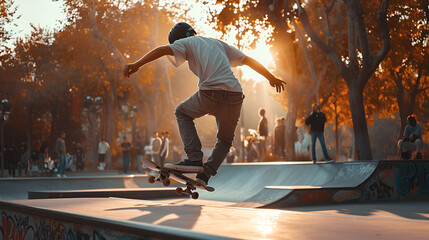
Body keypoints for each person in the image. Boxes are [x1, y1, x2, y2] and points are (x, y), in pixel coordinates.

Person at [124, 22, 285, 186]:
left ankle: (194, 158)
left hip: (211, 93)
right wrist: (271, 78)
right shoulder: (218, 43)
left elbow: (162, 50)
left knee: (182, 112)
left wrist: (136, 65)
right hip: (235, 95)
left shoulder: (185, 42)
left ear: (180, 39)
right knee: (225, 141)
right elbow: (248, 60)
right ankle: (204, 176)